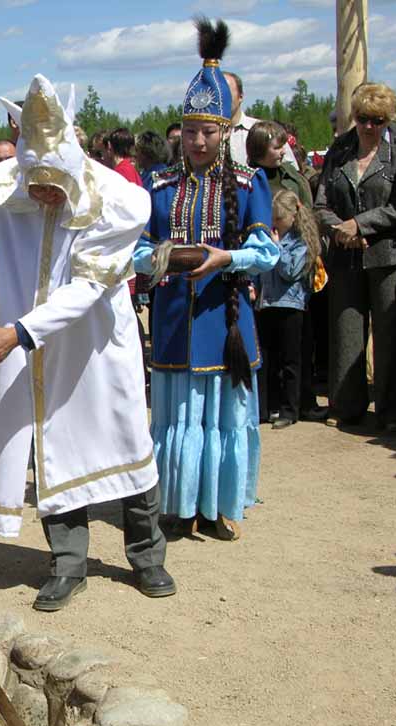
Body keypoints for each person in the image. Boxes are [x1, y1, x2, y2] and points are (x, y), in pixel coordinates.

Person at [0, 74, 175, 610]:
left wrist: (19, 332)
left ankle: (147, 556)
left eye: (55, 185)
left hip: (98, 343)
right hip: (24, 345)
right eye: (37, 184)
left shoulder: (118, 197)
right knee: (50, 446)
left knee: (126, 440)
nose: (45, 194)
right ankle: (67, 563)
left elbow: (90, 287)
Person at [134, 18, 279, 542]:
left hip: (226, 319)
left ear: (227, 131)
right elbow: (135, 250)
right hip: (174, 319)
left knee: (221, 416)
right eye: (190, 130)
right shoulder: (159, 184)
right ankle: (176, 505)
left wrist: (225, 258)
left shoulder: (249, 181)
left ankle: (216, 507)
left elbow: (267, 251)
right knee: (176, 415)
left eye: (209, 131)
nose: (198, 141)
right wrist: (160, 257)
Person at [314, 82, 396, 431]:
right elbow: (320, 204)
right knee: (345, 331)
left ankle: (391, 412)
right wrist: (340, 229)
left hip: (388, 256)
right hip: (345, 256)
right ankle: (346, 407)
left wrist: (360, 226)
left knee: (390, 335)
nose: (369, 127)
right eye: (362, 119)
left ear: (388, 120)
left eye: (377, 120)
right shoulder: (340, 150)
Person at [246, 119, 324, 421]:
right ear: (260, 150)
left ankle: (301, 402)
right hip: (264, 280)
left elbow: (308, 218)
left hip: (293, 279)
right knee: (268, 350)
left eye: (284, 146)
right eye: (277, 147)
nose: (283, 152)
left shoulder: (294, 178)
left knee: (298, 347)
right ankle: (270, 404)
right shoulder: (248, 180)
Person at [255, 189, 321, 429]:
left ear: (293, 217)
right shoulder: (271, 235)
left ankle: (290, 409)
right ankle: (268, 405)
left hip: (291, 305)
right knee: (269, 359)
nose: (276, 224)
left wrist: (277, 248)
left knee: (290, 361)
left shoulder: (300, 242)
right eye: (273, 219)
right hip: (267, 303)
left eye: (280, 219)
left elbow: (290, 271)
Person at [224, 71, 298, 170]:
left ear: (240, 96)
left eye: (226, 92)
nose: (221, 98)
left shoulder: (267, 131)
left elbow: (292, 174)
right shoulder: (200, 137)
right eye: (215, 93)